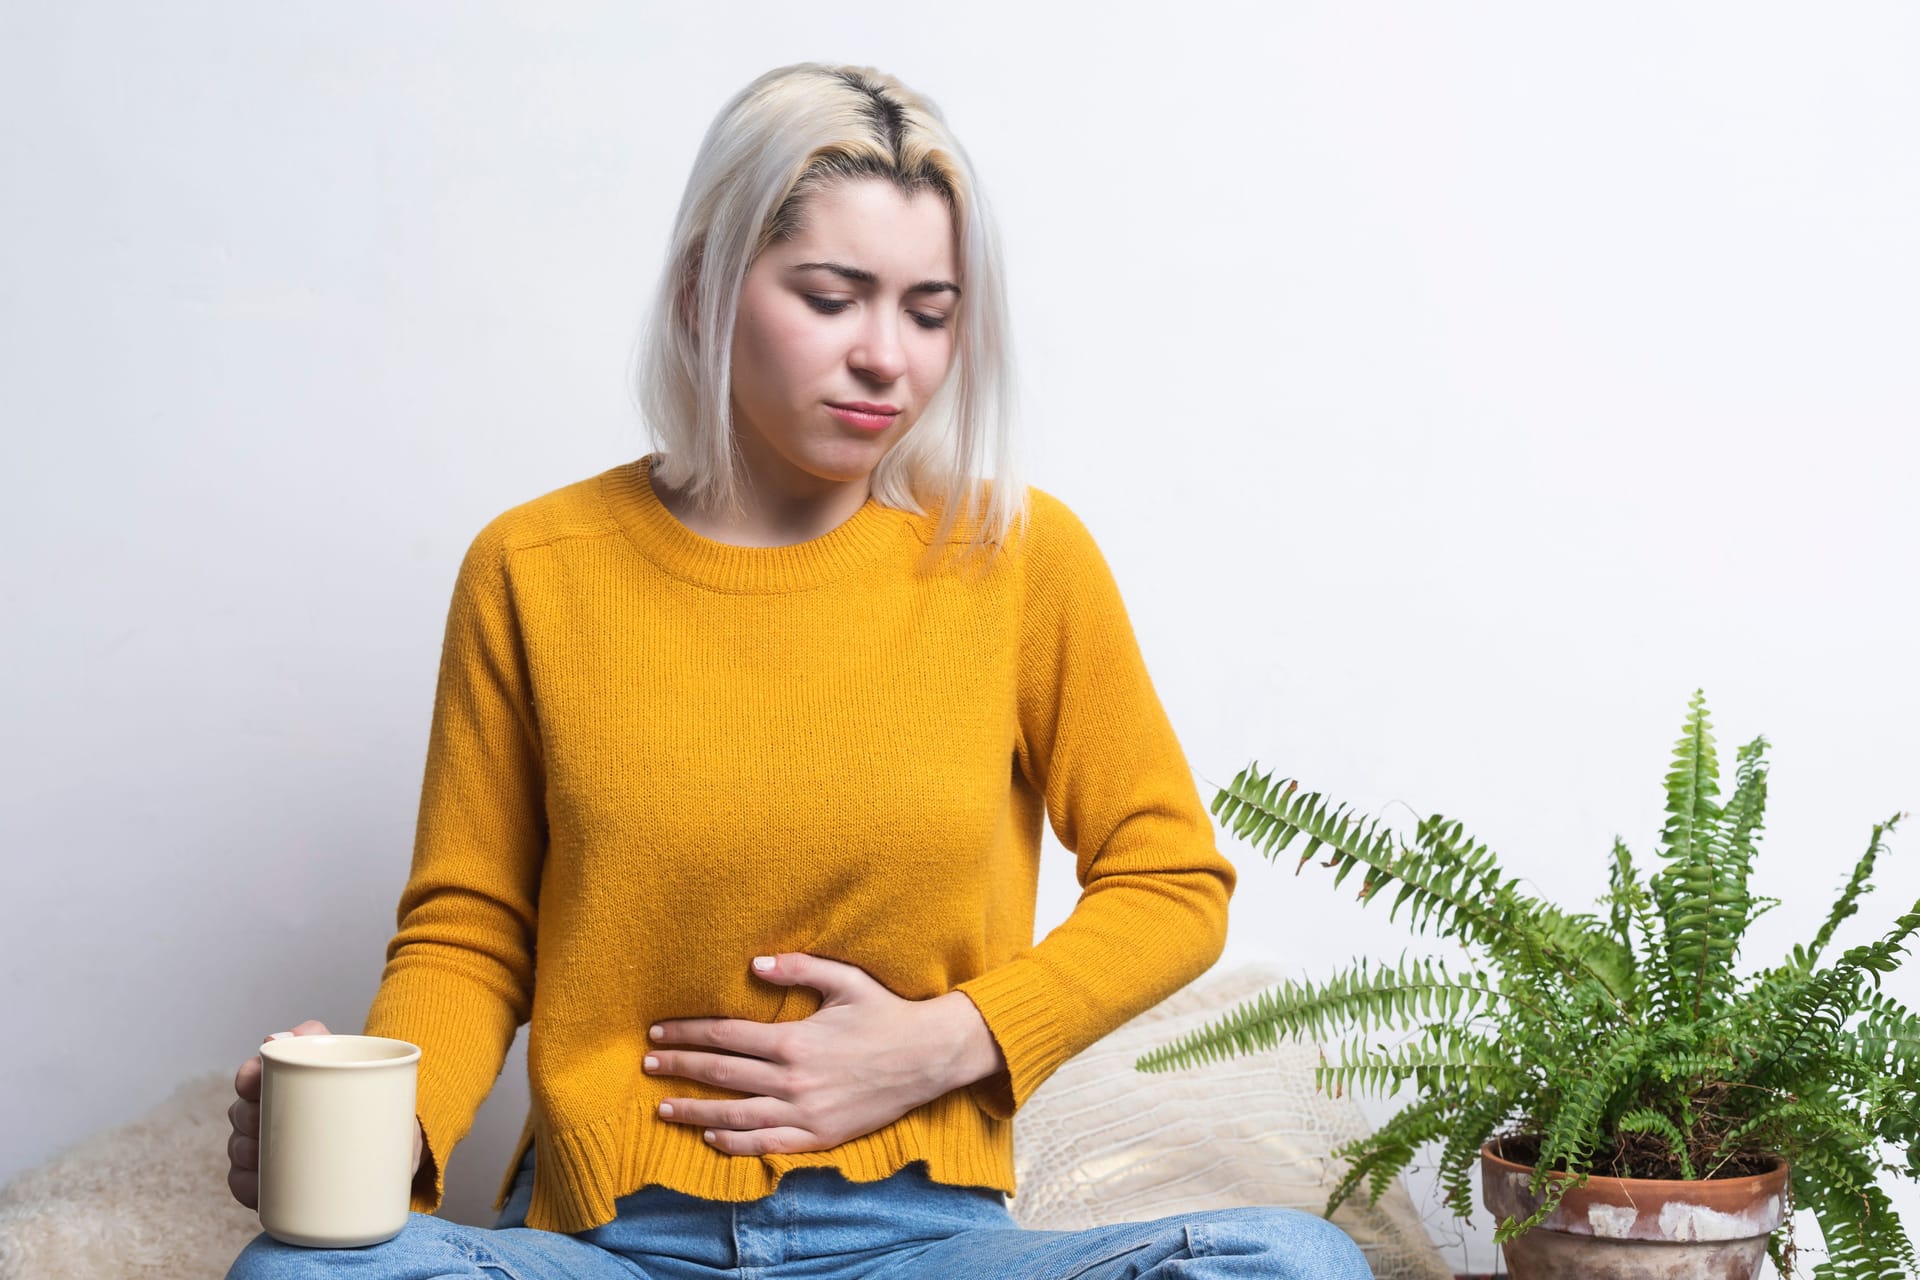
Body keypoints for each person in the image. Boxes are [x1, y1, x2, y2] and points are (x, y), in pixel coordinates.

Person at [223, 61, 1374, 1279]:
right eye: (833, 297)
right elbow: (470, 931)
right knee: (295, 1272)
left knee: (1290, 1262)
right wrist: (368, 1142)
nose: (888, 356)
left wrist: (950, 1040)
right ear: (706, 287)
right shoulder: (534, 567)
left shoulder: (1018, 560)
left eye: (930, 311)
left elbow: (1172, 877)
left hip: (923, 1242)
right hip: (612, 1244)